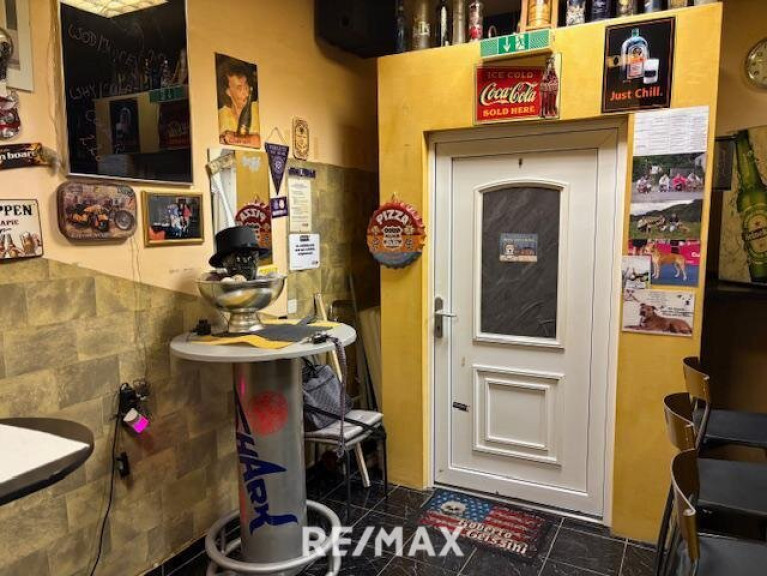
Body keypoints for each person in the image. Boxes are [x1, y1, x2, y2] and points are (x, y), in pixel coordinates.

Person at [217, 59, 261, 148]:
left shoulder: (257, 108)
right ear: (228, 92)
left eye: (246, 85)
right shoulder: (221, 116)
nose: (246, 93)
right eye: (239, 88)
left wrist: (232, 138)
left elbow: (259, 141)